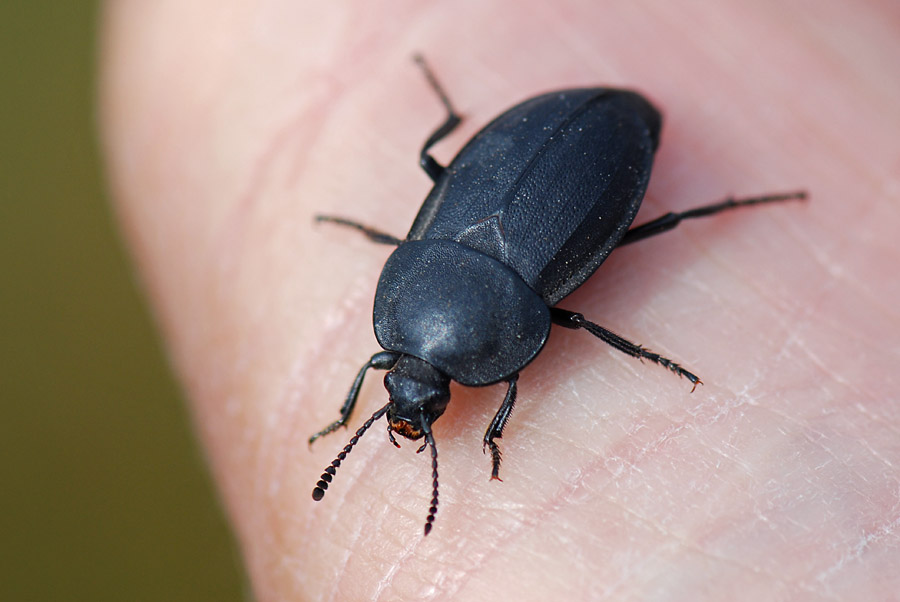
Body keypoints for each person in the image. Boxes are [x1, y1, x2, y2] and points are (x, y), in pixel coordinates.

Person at [100, 2, 900, 599]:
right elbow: (507, 368)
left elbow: (517, 372)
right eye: (422, 396)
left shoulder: (457, 334)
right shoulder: (422, 316)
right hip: (570, 153)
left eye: (402, 395)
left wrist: (496, 431)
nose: (412, 401)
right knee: (445, 173)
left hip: (589, 141)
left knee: (647, 240)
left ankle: (741, 204)